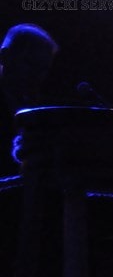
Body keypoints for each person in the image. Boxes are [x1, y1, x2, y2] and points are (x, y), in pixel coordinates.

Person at [1, 24, 59, 175]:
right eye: (31, 64)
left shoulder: (34, 106)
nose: (37, 75)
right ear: (5, 57)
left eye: (43, 69)